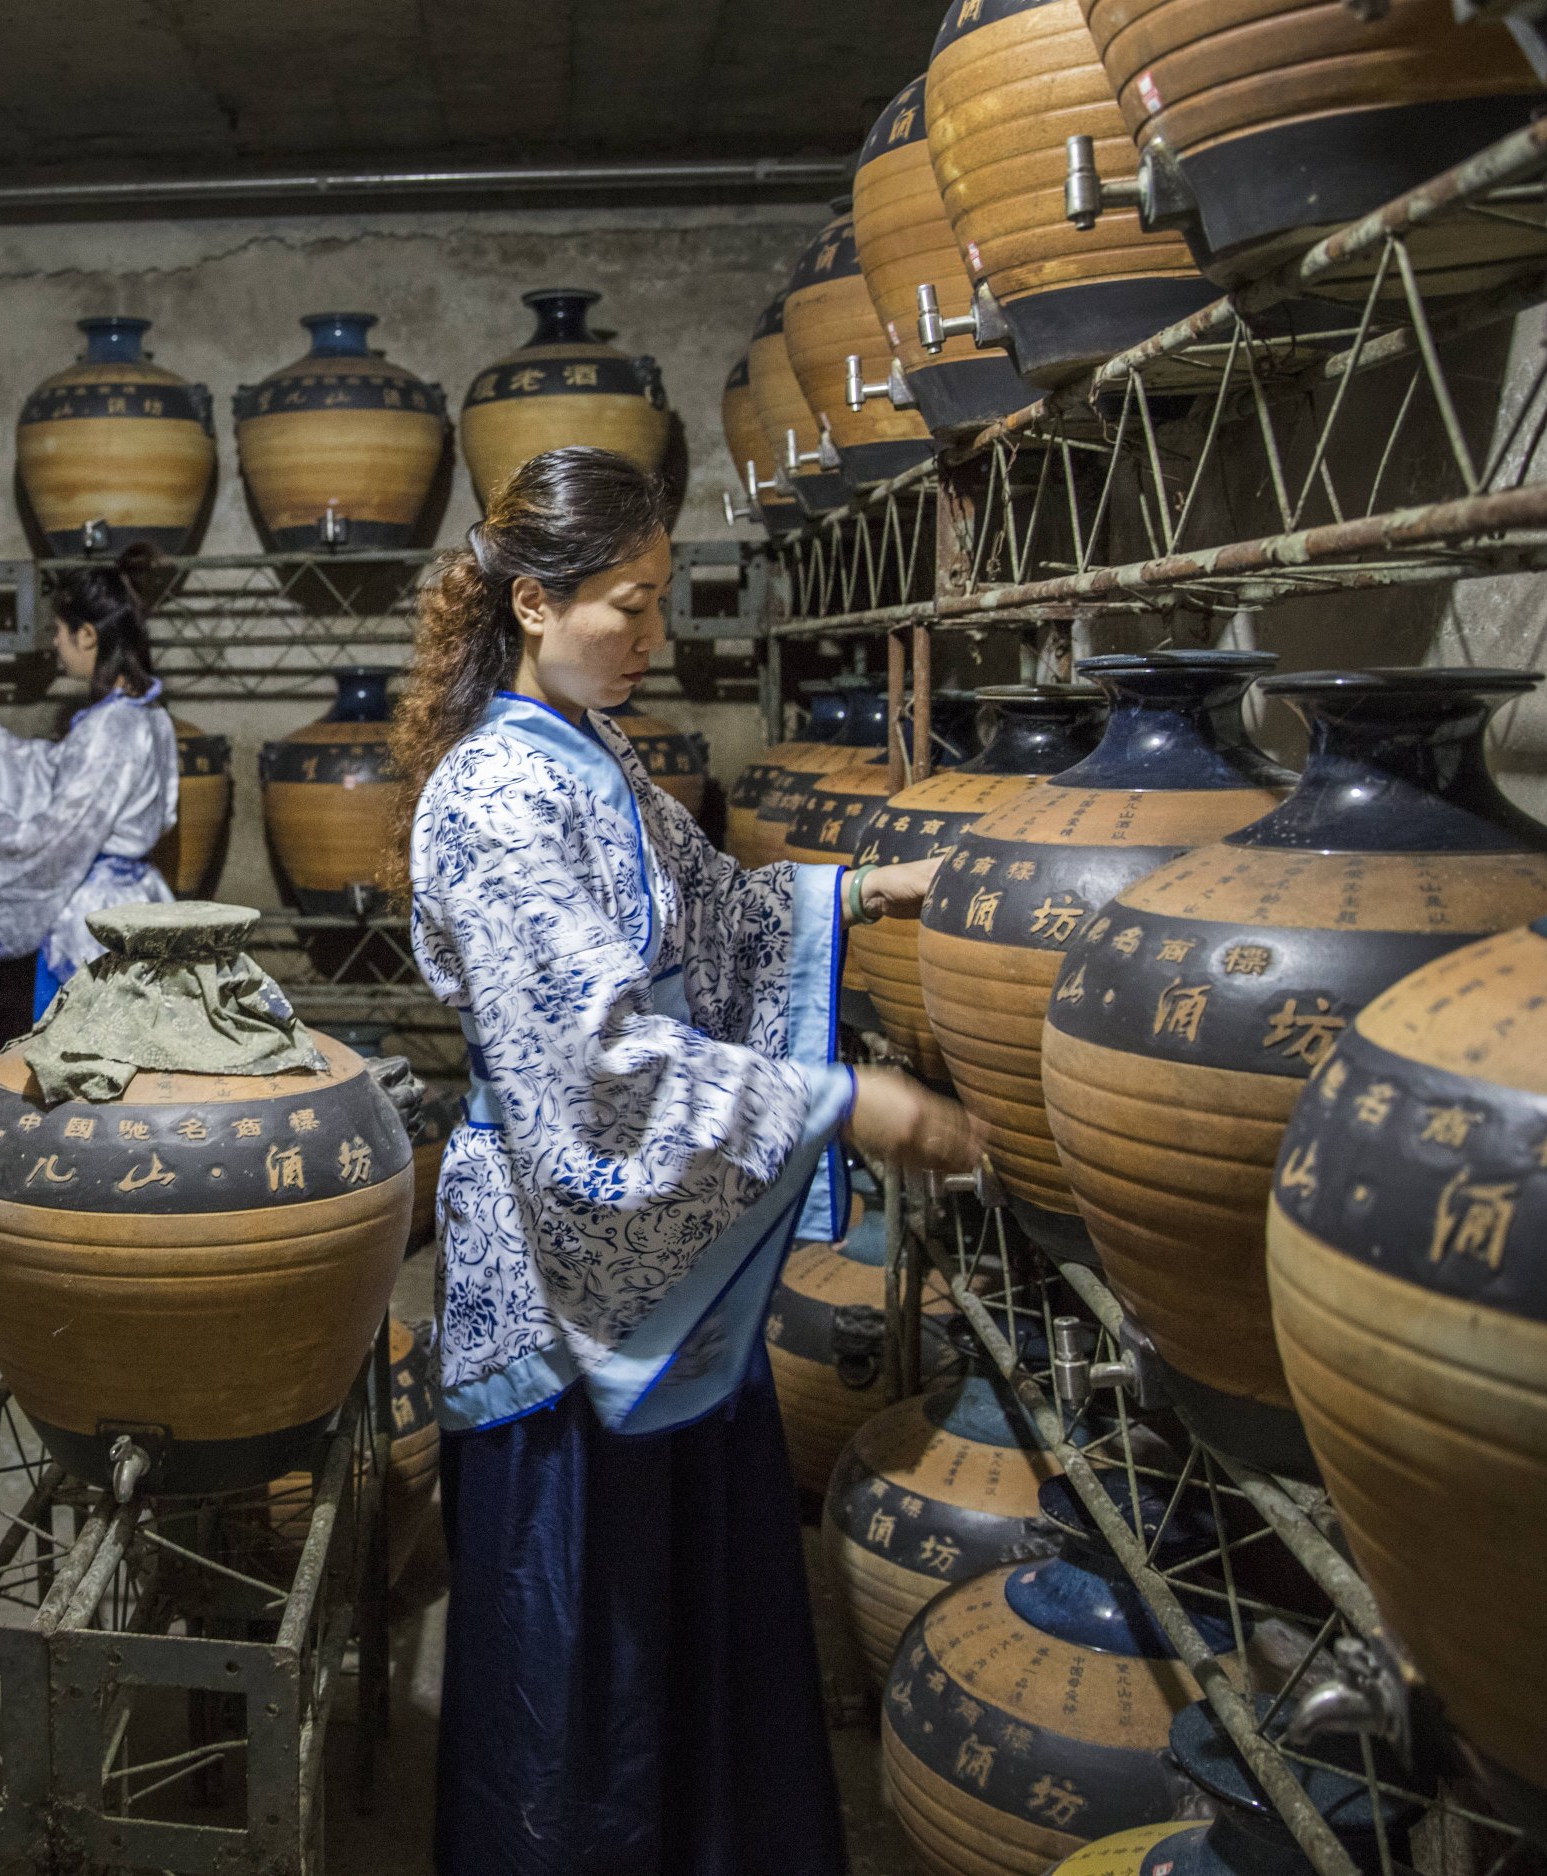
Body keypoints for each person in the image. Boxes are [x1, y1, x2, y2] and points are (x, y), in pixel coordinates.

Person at [401, 447, 982, 1876]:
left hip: (658, 1259)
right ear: (532, 604)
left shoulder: (597, 762)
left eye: (660, 604)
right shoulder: (492, 797)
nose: (654, 638)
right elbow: (592, 1065)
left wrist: (862, 891)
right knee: (582, 1660)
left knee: (684, 1630)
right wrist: (842, 1102)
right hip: (563, 1273)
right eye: (628, 604)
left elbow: (718, 921)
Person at [0, 543, 181, 1020]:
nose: (54, 642)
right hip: (143, 906)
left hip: (99, 928)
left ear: (88, 635)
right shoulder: (148, 714)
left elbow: (56, 835)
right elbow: (55, 770)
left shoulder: (109, 729)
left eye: (59, 631)